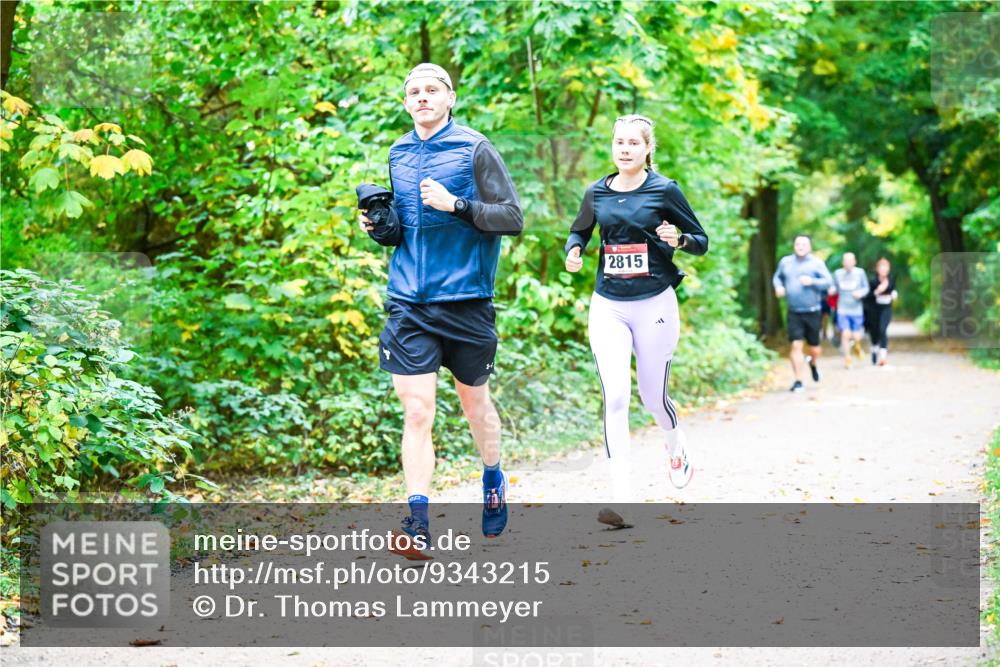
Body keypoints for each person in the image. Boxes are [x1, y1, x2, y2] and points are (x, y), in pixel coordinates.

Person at [359, 63, 524, 558]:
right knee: (416, 411)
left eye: (432, 90)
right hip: (409, 300)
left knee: (475, 406)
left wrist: (456, 205)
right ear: (405, 102)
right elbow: (406, 228)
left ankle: (493, 477)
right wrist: (382, 229)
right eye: (413, 92)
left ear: (450, 98)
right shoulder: (399, 152)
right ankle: (417, 521)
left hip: (467, 300)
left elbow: (512, 218)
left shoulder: (475, 148)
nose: (422, 97)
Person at [564, 114, 709, 520]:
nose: (624, 149)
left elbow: (700, 241)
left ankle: (675, 444)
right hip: (608, 304)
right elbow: (580, 231)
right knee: (616, 396)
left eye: (632, 143)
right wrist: (573, 251)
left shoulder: (665, 190)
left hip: (654, 303)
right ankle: (621, 496)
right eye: (618, 142)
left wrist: (677, 238)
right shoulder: (597, 192)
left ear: (647, 149)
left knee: (652, 396)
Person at [772, 235, 833, 392]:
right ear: (794, 246)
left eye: (804, 244)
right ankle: (798, 380)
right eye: (798, 244)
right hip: (794, 311)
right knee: (796, 345)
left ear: (809, 247)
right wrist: (778, 287)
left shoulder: (816, 263)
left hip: (813, 311)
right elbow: (777, 278)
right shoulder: (786, 262)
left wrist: (812, 281)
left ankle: (813, 363)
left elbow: (828, 282)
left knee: (814, 348)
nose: (800, 246)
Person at [831, 252, 870, 368]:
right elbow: (834, 288)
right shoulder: (838, 274)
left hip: (856, 309)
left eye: (850, 261)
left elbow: (866, 288)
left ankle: (857, 346)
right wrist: (832, 290)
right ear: (843, 262)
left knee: (856, 336)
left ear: (854, 262)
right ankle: (847, 358)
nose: (848, 263)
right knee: (845, 333)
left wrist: (860, 293)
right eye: (846, 261)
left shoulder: (860, 273)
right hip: (843, 309)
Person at [866, 257, 898, 366]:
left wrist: (894, 293)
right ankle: (874, 349)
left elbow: (893, 289)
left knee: (882, 330)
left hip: (886, 308)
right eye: (881, 267)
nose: (884, 270)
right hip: (874, 309)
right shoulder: (872, 280)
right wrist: (877, 291)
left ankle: (883, 357)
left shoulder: (891, 279)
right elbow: (867, 296)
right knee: (874, 332)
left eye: (886, 267)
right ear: (877, 269)